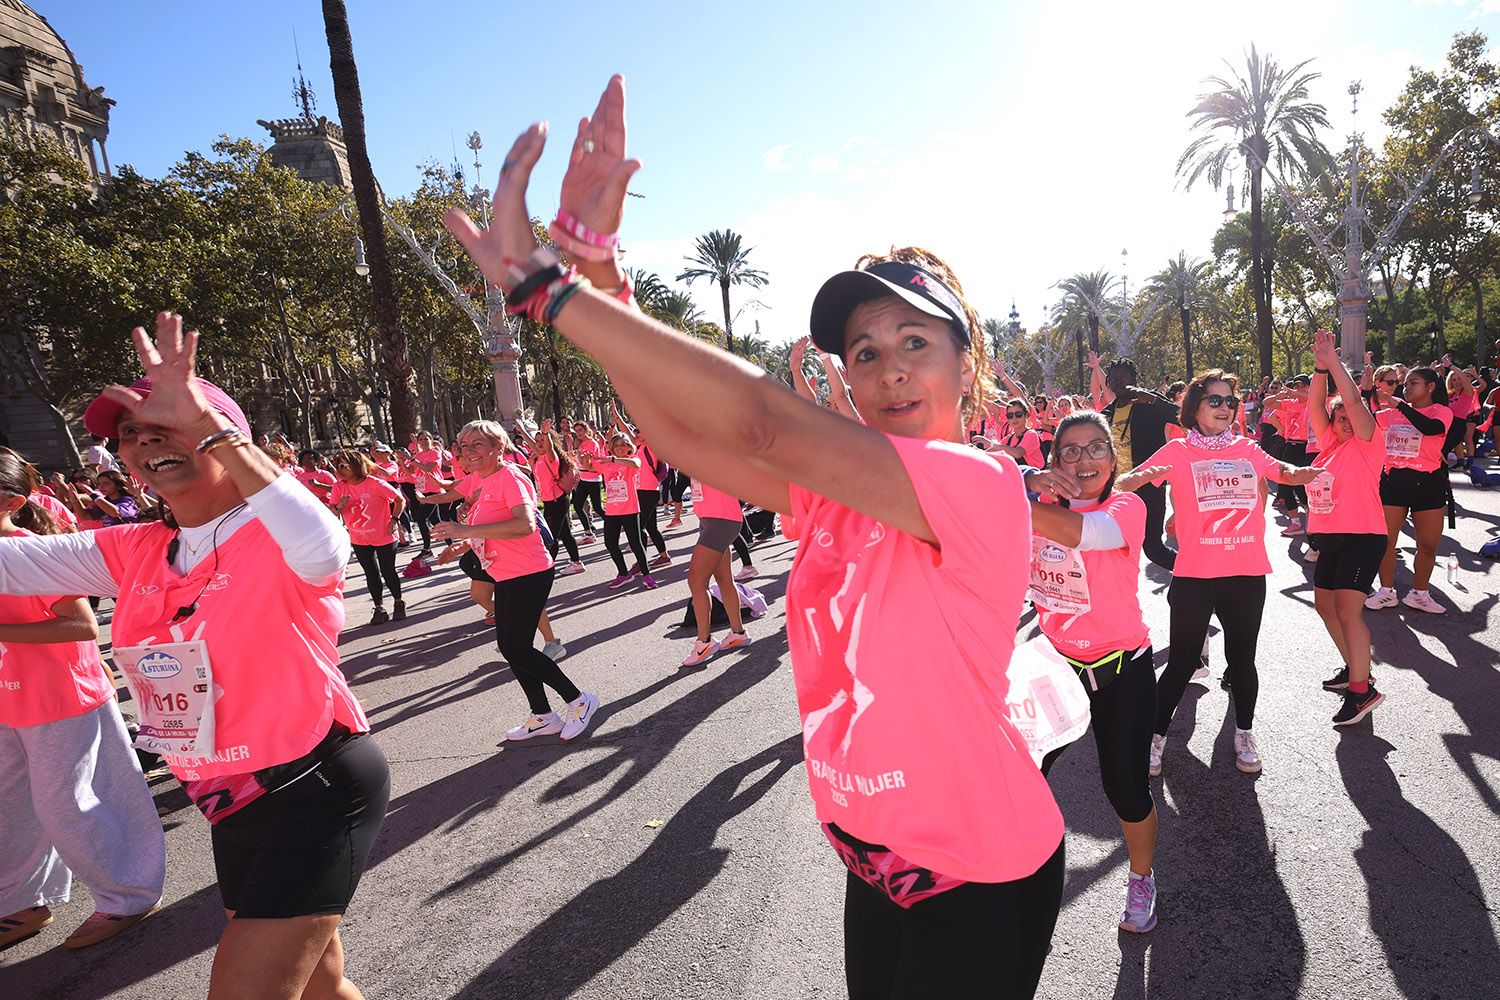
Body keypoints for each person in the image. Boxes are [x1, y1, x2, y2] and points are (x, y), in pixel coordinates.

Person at [442, 77, 1065, 994]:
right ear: (846, 380)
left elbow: (760, 422)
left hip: (979, 871)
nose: (889, 371)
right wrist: (604, 276)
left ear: (967, 363)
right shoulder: (833, 496)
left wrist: (552, 291)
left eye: (914, 343)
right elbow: (682, 436)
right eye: (864, 353)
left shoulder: (977, 483)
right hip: (876, 859)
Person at [0, 314, 388, 1000]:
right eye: (129, 434)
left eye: (165, 424)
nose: (143, 441)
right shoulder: (135, 548)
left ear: (217, 432)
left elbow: (324, 543)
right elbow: (12, 564)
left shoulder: (275, 532)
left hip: (312, 787)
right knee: (323, 986)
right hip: (225, 801)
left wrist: (210, 424)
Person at [1118, 369, 1324, 775]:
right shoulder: (1177, 452)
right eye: (1215, 400)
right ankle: (1155, 737)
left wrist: (1305, 474)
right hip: (1195, 574)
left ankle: (1243, 733)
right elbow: (1140, 476)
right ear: (1194, 407)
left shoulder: (1247, 449)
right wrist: (1111, 485)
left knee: (1242, 659)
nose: (1226, 408)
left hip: (1245, 574)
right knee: (1180, 663)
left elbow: (1282, 470)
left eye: (1231, 401)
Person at [0, 449, 166, 951]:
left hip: (60, 698)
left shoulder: (31, 552)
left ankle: (127, 897)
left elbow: (82, 625)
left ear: (10, 501)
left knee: (70, 803)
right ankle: (20, 902)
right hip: (8, 702)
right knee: (9, 806)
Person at [1027, 413, 1160, 934]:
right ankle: (1014, 876)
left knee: (1126, 789)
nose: (1083, 461)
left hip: (1120, 671)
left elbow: (1086, 535)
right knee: (1021, 777)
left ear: (1112, 457)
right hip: (1055, 666)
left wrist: (1010, 496)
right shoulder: (1037, 509)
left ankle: (1142, 877)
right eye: (1070, 451)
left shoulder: (1126, 506)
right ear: (1055, 461)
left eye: (1094, 448)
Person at [431, 421, 599, 741]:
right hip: (505, 572)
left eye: (478, 444)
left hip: (529, 571)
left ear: (498, 447)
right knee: (512, 647)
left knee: (515, 647)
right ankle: (543, 715)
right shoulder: (485, 480)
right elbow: (492, 524)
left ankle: (579, 700)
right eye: (464, 446)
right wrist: (464, 545)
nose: (469, 452)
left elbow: (524, 525)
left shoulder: (510, 477)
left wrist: (465, 531)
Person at [1302, 333, 1387, 726]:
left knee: (1348, 611)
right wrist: (1319, 367)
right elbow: (1316, 405)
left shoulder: (1368, 444)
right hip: (1331, 539)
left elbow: (1351, 402)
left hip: (1363, 537)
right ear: (1334, 425)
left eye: (1351, 418)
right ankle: (1356, 668)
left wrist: (1334, 362)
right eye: (1341, 420)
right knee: (1326, 607)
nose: (1348, 423)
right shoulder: (1328, 447)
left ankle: (1361, 691)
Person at [1364, 366, 1455, 614]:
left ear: (1431, 387)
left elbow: (1431, 428)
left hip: (1428, 484)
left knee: (1427, 545)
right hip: (1395, 482)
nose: (1407, 388)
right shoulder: (1391, 414)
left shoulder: (1441, 412)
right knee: (1386, 542)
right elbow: (1364, 421)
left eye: (1413, 383)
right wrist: (1364, 391)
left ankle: (1419, 593)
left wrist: (1400, 406)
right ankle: (1386, 592)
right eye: (1406, 384)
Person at [1101, 358, 1179, 571]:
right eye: (1113, 378)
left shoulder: (1149, 402)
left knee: (1153, 548)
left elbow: (1183, 417)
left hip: (1149, 485)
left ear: (1133, 379)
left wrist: (1154, 400)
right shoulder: (1107, 413)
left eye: (1123, 377)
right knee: (1113, 545)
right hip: (1118, 489)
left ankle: (1196, 573)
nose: (1118, 382)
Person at [330, 450, 407, 625]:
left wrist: (394, 520)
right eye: (339, 465)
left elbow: (399, 499)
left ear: (356, 466)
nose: (341, 469)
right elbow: (332, 513)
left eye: (344, 465)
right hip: (359, 538)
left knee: (388, 571)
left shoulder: (374, 483)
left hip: (384, 535)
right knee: (371, 573)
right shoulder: (339, 487)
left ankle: (398, 602)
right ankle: (379, 608)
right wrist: (340, 506)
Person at [582, 432, 658, 589]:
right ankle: (623, 573)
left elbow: (636, 465)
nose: (619, 448)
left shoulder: (632, 459)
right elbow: (588, 466)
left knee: (636, 543)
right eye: (616, 445)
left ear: (629, 446)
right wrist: (586, 457)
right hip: (612, 511)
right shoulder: (607, 465)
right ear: (611, 447)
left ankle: (647, 575)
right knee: (610, 543)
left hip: (630, 509)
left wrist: (611, 458)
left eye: (623, 444)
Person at [527, 423, 586, 576]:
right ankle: (577, 563)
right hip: (550, 502)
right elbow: (532, 445)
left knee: (550, 537)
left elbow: (550, 448)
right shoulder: (539, 458)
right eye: (537, 440)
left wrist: (546, 434)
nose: (539, 443)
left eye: (543, 441)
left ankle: (546, 570)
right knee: (565, 533)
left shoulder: (550, 457)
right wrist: (520, 429)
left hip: (557, 501)